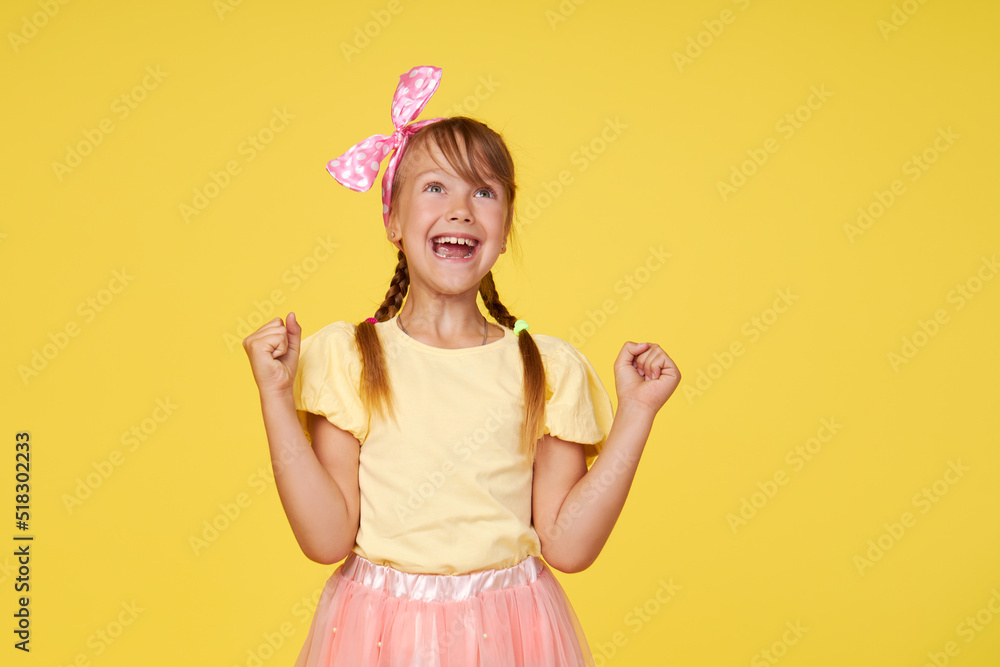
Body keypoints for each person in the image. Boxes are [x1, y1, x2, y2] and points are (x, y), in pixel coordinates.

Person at [242, 65, 680, 666]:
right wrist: (273, 394)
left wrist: (636, 412)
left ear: (503, 230)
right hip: (379, 638)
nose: (461, 210)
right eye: (435, 188)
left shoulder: (547, 368)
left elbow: (571, 547)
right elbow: (324, 539)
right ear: (393, 220)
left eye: (484, 191)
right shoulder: (349, 356)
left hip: (511, 636)